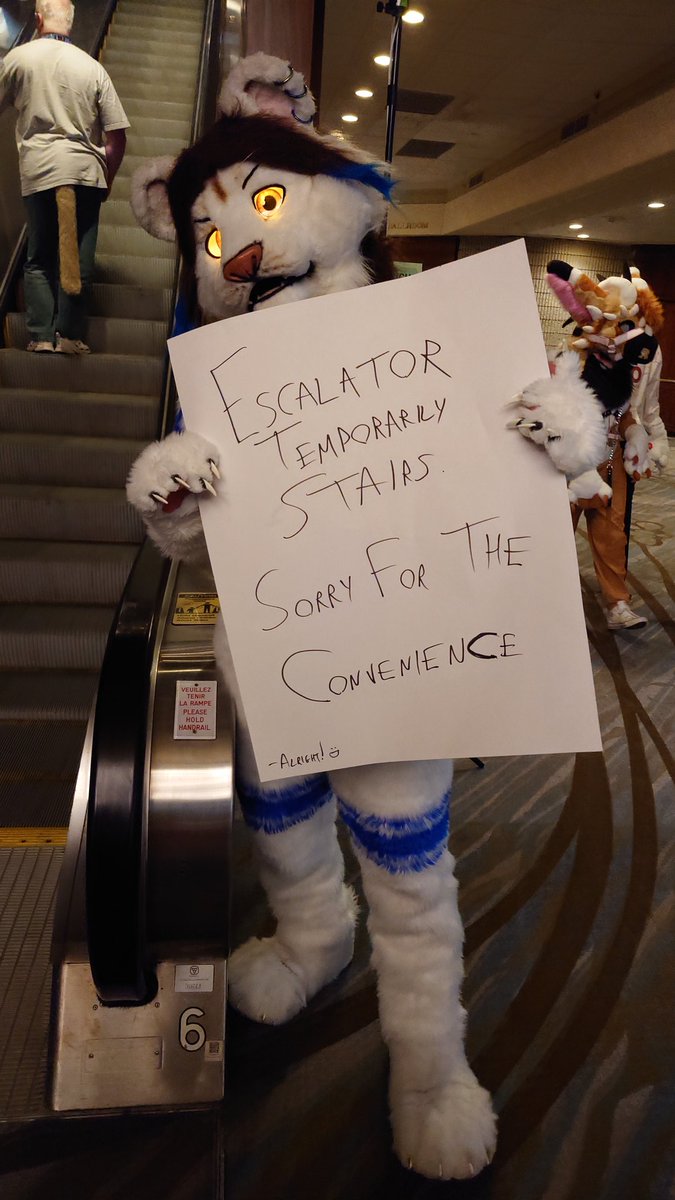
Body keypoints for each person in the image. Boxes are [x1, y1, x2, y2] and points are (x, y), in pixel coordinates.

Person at [0, 0, 129, 354]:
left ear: (38, 19)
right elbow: (117, 136)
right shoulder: (92, 68)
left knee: (39, 257)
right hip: (85, 175)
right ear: (71, 23)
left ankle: (41, 337)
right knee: (80, 259)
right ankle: (70, 336)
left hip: (40, 171)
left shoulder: (19, 59)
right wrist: (108, 177)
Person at [572, 341, 667, 630]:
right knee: (555, 534)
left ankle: (617, 603)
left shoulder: (626, 372)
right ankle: (544, 594)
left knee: (612, 535)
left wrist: (637, 433)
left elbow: (625, 414)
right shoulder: (572, 370)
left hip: (611, 463)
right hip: (570, 466)